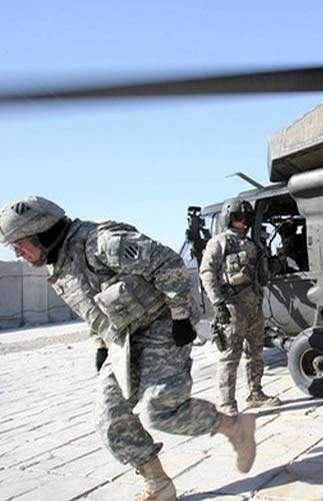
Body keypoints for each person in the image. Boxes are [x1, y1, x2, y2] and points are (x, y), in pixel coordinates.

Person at [0, 196, 257, 501]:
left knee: (159, 409)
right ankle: (158, 483)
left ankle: (235, 428)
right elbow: (94, 308)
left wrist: (179, 316)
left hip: (163, 323)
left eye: (19, 244)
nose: (17, 252)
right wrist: (100, 345)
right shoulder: (59, 264)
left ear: (41, 232)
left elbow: (168, 262)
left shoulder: (100, 242)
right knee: (109, 416)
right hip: (124, 338)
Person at [199, 198, 280, 415]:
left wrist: (271, 266)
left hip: (254, 306)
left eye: (245, 218)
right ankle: (227, 404)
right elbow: (207, 273)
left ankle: (255, 393)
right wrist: (217, 303)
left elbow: (261, 274)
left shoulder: (252, 244)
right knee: (230, 357)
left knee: (255, 353)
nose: (243, 222)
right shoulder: (219, 243)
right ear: (229, 219)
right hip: (232, 307)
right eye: (238, 218)